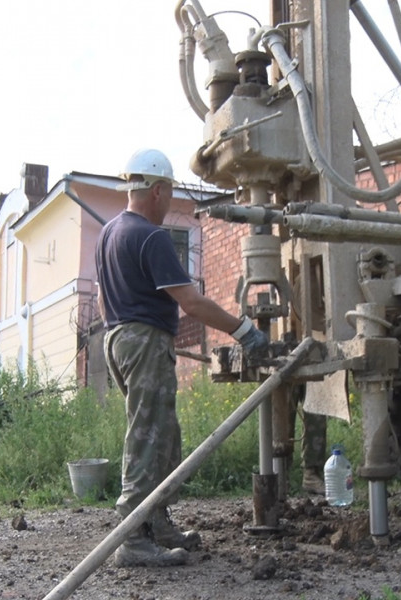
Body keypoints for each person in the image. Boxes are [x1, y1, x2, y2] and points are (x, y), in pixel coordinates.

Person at [95, 148, 270, 568]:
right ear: (157, 190)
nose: (171, 201)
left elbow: (103, 299)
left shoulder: (110, 232)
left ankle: (156, 520)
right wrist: (243, 329)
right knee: (147, 438)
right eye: (170, 192)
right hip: (143, 342)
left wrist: (126, 332)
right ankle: (133, 539)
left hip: (118, 338)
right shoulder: (151, 236)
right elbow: (191, 302)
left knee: (163, 434)